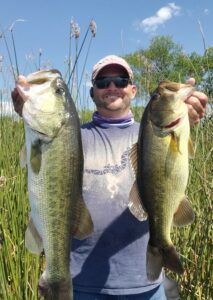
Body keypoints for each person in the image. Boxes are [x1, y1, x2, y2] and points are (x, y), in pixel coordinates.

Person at [11, 55, 208, 300]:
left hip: (145, 286)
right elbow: (45, 141)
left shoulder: (150, 133)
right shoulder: (71, 136)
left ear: (133, 90)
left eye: (120, 80)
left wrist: (185, 119)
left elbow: (169, 151)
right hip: (81, 282)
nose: (112, 87)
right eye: (103, 82)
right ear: (92, 92)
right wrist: (28, 110)